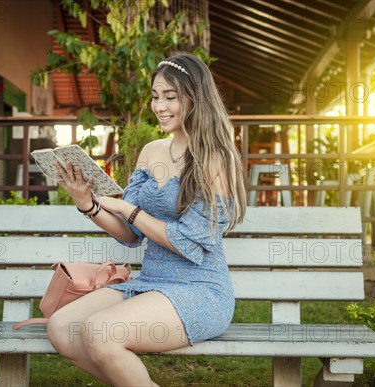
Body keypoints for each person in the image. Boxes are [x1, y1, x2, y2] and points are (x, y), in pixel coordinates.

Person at [47, 53, 247, 386]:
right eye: (155, 96)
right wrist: (88, 205)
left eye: (171, 97)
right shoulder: (151, 151)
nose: (160, 106)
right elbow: (130, 235)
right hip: (149, 282)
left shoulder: (215, 159)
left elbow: (190, 244)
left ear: (196, 98)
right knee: (61, 327)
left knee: (100, 332)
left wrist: (129, 209)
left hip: (199, 291)